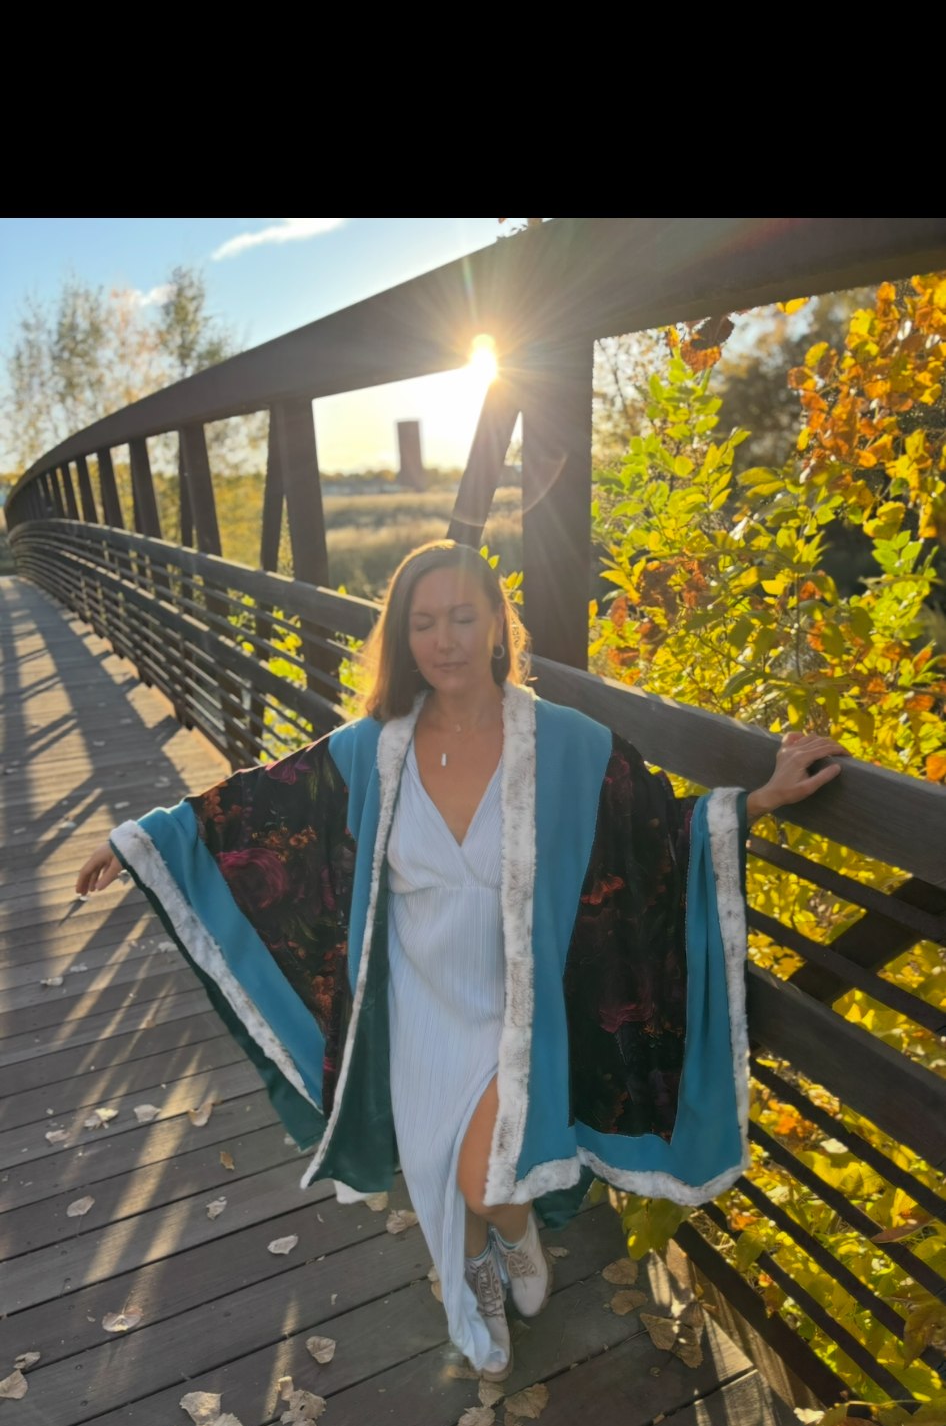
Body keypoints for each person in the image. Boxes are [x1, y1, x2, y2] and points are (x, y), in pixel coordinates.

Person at [76, 541, 845, 1381]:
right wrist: (142, 842)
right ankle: (478, 1263)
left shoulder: (570, 743)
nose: (444, 640)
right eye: (423, 622)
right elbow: (257, 806)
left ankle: (511, 1236)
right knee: (440, 1167)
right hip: (418, 1009)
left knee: (482, 1180)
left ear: (496, 626)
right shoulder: (372, 751)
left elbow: (658, 832)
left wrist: (759, 800)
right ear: (402, 638)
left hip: (521, 1011)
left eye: (462, 618)